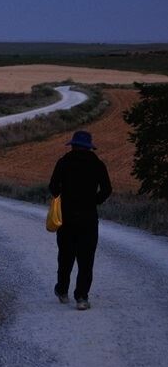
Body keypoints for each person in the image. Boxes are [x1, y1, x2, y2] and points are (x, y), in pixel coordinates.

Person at [49, 130, 112, 311]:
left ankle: (62, 291)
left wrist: (62, 197)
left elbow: (53, 187)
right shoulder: (97, 164)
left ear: (73, 145)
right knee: (86, 260)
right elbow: (107, 189)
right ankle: (82, 298)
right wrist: (94, 200)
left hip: (66, 218)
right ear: (89, 147)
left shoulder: (63, 162)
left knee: (65, 257)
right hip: (88, 218)